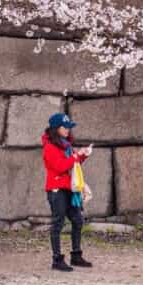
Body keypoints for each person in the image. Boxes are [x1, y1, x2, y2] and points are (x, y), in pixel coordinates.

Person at [42, 112, 94, 272]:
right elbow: (60, 167)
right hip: (57, 190)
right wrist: (77, 156)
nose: (68, 130)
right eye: (65, 127)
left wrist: (82, 156)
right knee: (58, 223)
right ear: (56, 128)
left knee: (78, 220)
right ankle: (57, 259)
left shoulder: (66, 145)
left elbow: (72, 165)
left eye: (69, 128)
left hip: (69, 188)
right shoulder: (50, 147)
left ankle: (76, 255)